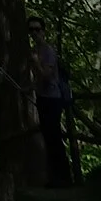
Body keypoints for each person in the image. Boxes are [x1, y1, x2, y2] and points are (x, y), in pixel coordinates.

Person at [35, 36, 76, 186]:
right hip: (43, 97)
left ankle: (64, 178)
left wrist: (35, 62)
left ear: (43, 31)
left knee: (54, 137)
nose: (34, 33)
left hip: (53, 98)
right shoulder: (36, 50)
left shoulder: (48, 52)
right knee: (48, 137)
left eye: (37, 30)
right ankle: (54, 176)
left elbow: (46, 76)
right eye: (31, 29)